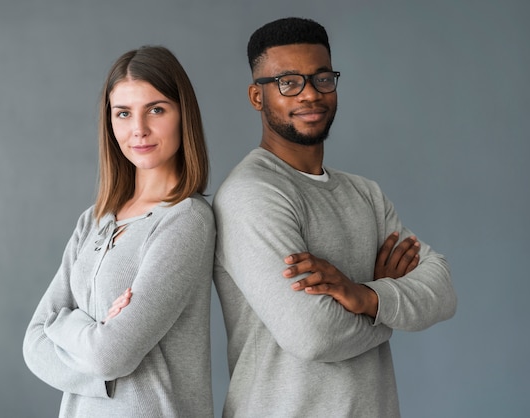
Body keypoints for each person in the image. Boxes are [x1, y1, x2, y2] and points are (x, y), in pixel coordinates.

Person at [212, 17, 457, 417]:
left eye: (322, 78)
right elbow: (314, 336)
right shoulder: (251, 194)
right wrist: (387, 305)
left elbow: (443, 289)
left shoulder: (366, 194)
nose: (310, 94)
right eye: (288, 82)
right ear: (257, 97)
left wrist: (366, 296)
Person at [23, 45, 215, 417]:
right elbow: (33, 343)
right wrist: (89, 333)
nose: (138, 130)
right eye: (123, 113)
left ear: (182, 115)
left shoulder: (186, 219)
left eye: (156, 109)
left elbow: (112, 355)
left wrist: (61, 326)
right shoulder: (95, 219)